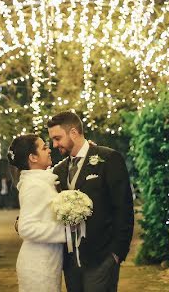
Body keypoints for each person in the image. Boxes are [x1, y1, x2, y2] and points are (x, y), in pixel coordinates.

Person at [49, 111, 134, 292]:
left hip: (102, 258)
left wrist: (116, 253)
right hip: (70, 262)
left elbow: (123, 208)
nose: (54, 144)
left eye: (57, 138)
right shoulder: (59, 171)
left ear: (73, 132)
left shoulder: (108, 159)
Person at [8, 133, 66, 292]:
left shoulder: (40, 180)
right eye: (44, 148)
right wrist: (66, 232)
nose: (49, 150)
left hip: (47, 262)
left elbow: (56, 170)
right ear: (33, 157)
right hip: (38, 265)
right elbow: (26, 228)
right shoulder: (33, 186)